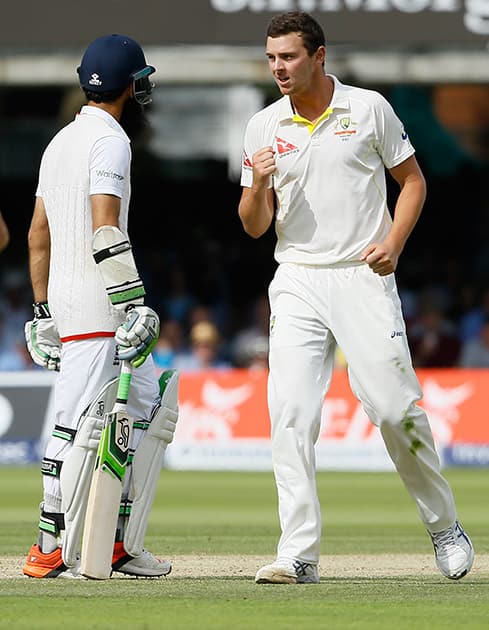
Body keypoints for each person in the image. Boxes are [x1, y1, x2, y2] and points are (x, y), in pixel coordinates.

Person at [237, 11, 474, 585]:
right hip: (295, 278)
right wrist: (261, 182)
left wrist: (394, 241)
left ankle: (444, 526)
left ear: (319, 56)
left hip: (362, 276)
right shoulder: (263, 126)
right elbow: (251, 225)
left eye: (288, 57)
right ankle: (298, 554)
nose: (278, 68)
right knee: (290, 414)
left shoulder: (368, 109)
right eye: (271, 58)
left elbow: (413, 181)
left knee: (394, 410)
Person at [22, 34, 179, 579]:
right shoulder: (110, 141)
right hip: (100, 307)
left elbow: (37, 234)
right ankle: (47, 548)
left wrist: (42, 310)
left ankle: (114, 542)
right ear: (131, 85)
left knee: (151, 411)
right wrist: (132, 302)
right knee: (76, 426)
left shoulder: (57, 143)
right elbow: (105, 224)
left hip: (69, 304)